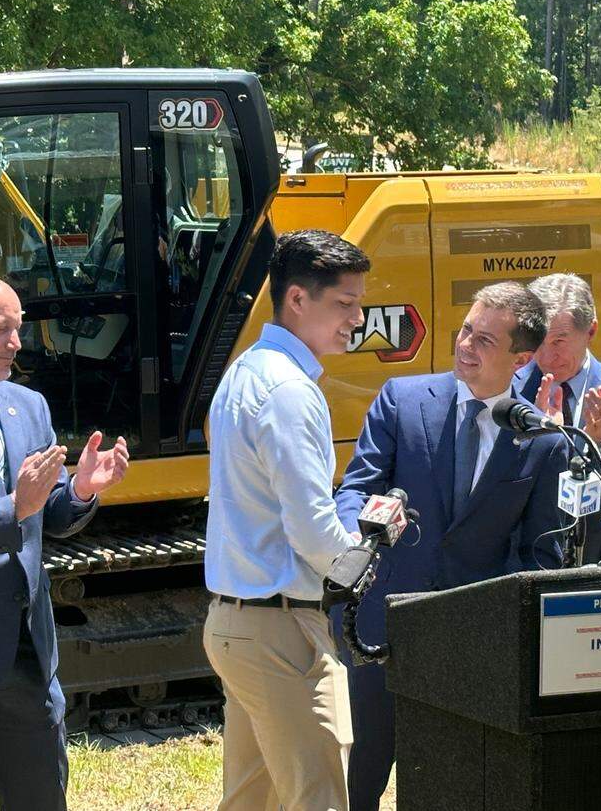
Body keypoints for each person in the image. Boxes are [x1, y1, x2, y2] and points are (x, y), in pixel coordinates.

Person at [336, 281, 565, 811]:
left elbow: (538, 554)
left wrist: (506, 627)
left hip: (471, 636)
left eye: (485, 340)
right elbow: (356, 486)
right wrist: (355, 532)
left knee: (456, 771)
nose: (466, 345)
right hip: (383, 621)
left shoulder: (542, 440)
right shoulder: (403, 398)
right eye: (466, 330)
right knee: (365, 767)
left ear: (522, 358)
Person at [0, 272, 130, 811]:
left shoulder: (27, 406)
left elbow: (49, 516)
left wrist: (81, 489)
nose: (16, 342)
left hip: (27, 656)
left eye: (18, 328)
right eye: (0, 329)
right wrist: (13, 508)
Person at [204, 229, 369, 811]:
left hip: (236, 624)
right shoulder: (291, 391)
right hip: (281, 631)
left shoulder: (248, 371)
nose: (357, 317)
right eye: (344, 304)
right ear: (298, 299)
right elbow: (312, 528)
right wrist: (366, 557)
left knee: (251, 799)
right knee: (318, 798)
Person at [516, 272, 601, 563]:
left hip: (597, 560)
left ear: (590, 332)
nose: (547, 356)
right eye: (539, 341)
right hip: (526, 563)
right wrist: (541, 437)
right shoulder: (511, 388)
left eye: (559, 342)